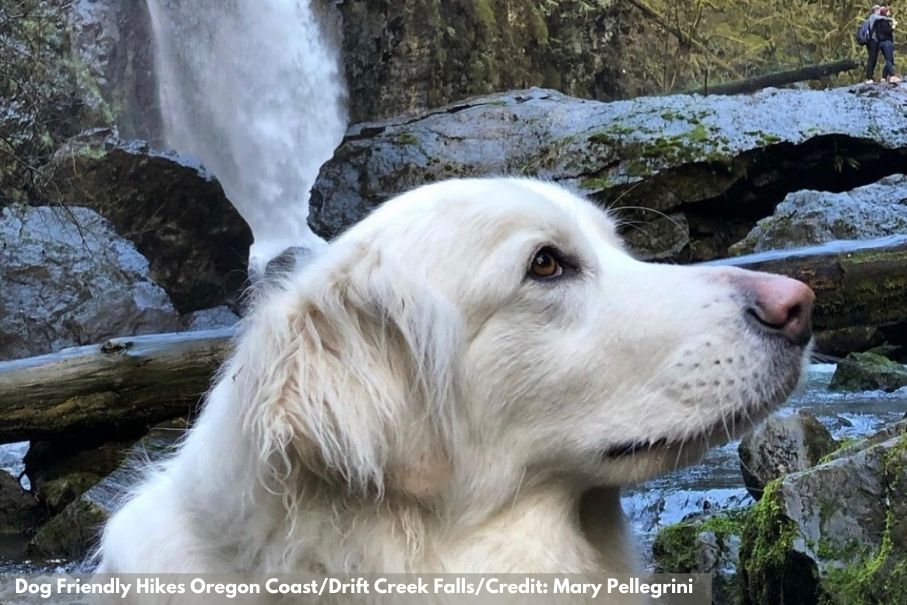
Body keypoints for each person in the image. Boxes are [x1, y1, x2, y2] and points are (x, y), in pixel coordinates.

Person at [866, 6, 901, 83]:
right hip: (885, 42)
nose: (890, 13)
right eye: (888, 11)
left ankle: (884, 77)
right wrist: (893, 26)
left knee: (890, 60)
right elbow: (886, 31)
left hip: (880, 42)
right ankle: (892, 76)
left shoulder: (878, 20)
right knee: (889, 60)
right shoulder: (881, 20)